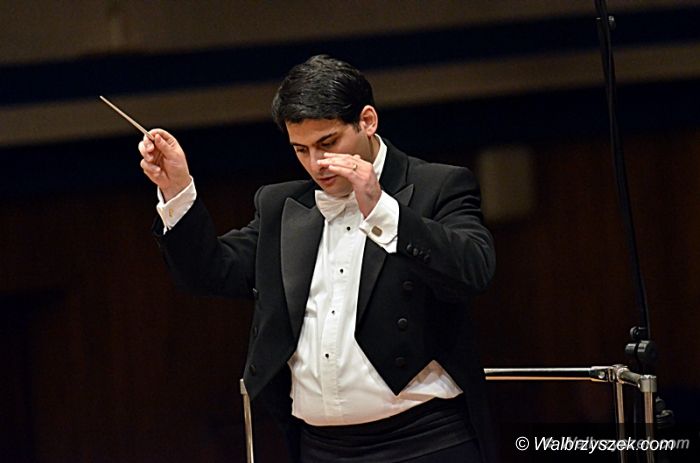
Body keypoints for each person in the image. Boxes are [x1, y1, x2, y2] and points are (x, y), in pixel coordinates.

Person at [138, 55, 497, 463]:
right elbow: (208, 272)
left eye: (328, 143)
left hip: (426, 440)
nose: (316, 165)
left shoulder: (440, 184)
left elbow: (475, 270)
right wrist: (178, 191)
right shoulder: (282, 207)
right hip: (319, 447)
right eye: (301, 150)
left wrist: (383, 210)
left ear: (367, 121)